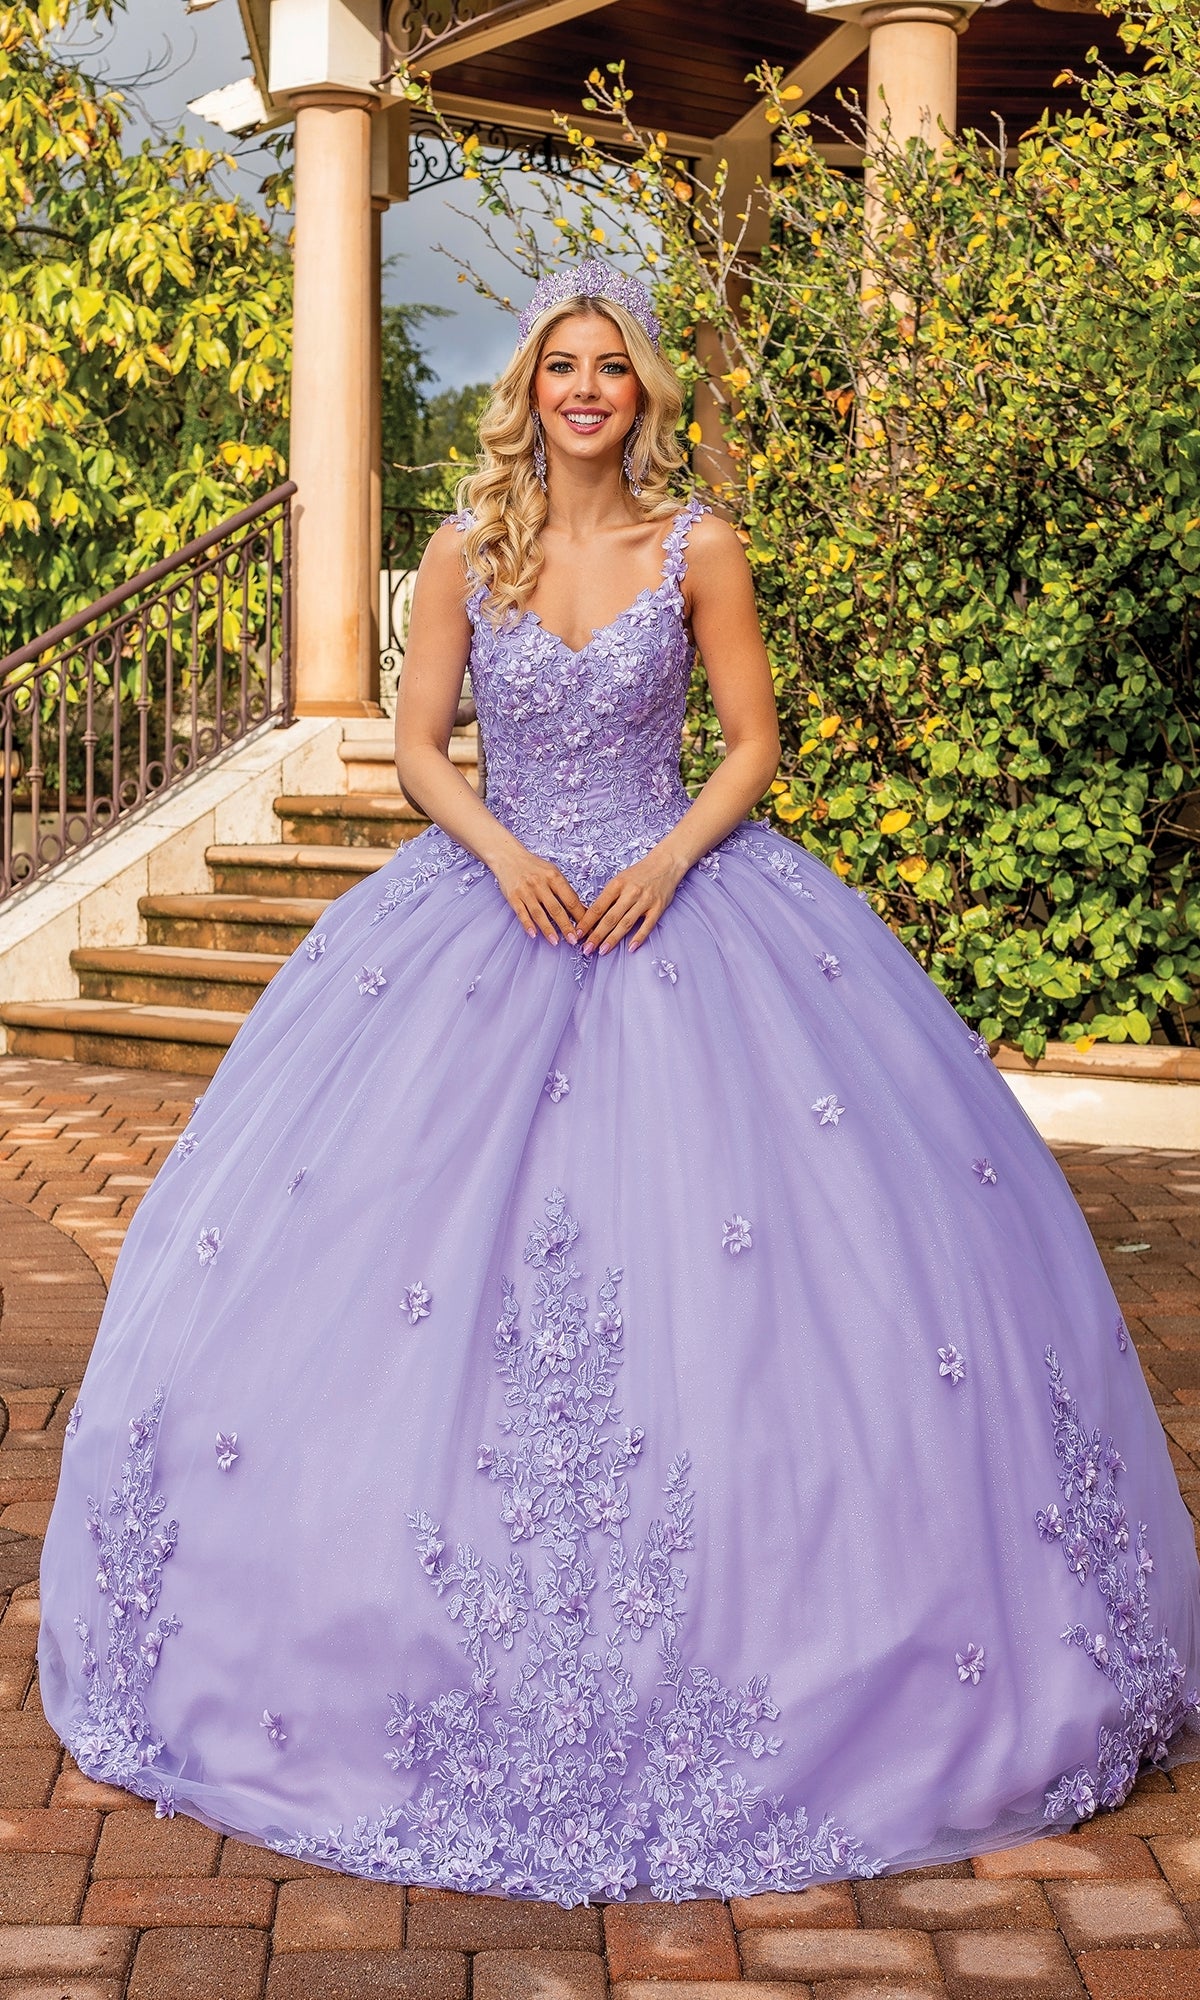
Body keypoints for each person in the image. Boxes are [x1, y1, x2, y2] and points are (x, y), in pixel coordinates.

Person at [36, 260, 1200, 1907]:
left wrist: (663, 861)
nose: (588, 390)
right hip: (493, 902)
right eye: (563, 368)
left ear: (645, 393)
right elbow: (424, 744)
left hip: (681, 902)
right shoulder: (466, 551)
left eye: (613, 369)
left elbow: (750, 741)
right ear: (534, 389)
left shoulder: (698, 548)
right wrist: (504, 852)